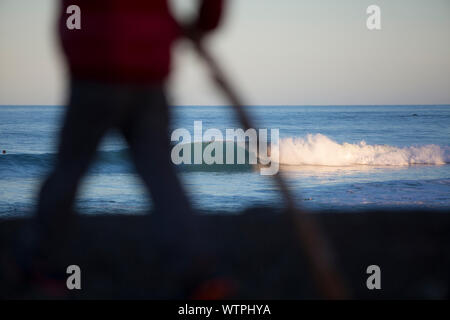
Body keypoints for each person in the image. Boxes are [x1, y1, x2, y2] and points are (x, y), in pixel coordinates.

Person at [37, 0, 225, 240]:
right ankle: (198, 269)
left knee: (68, 171)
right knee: (162, 176)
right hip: (146, 68)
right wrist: (206, 22)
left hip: (92, 66)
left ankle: (38, 259)